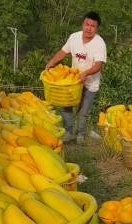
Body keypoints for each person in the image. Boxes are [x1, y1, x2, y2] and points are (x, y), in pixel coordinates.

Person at [45, 11, 107, 142]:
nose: (89, 28)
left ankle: (81, 134)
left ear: (97, 28)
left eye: (93, 26)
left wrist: (85, 73)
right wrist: (51, 62)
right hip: (73, 82)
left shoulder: (99, 43)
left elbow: (98, 65)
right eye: (87, 24)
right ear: (82, 24)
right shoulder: (74, 37)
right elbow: (63, 52)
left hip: (90, 83)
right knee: (66, 106)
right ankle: (69, 131)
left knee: (83, 112)